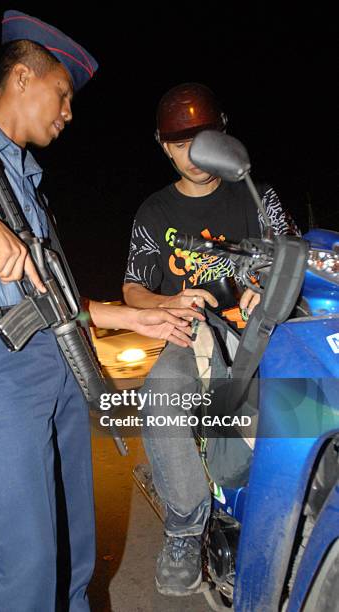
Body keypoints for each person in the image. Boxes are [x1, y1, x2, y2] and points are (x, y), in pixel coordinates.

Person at [0, 12, 203, 611]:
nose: (69, 112)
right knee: (29, 567)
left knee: (74, 559)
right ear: (22, 77)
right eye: (63, 94)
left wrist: (133, 317)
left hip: (61, 364)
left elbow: (53, 301)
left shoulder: (26, 181)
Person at [123, 83, 299, 597]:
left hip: (262, 332)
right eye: (180, 144)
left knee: (314, 395)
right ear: (162, 146)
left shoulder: (256, 195)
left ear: (223, 138)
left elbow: (294, 253)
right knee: (160, 392)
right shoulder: (154, 213)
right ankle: (183, 526)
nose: (193, 156)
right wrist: (168, 303)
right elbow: (133, 288)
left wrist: (266, 287)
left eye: (203, 140)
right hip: (192, 334)